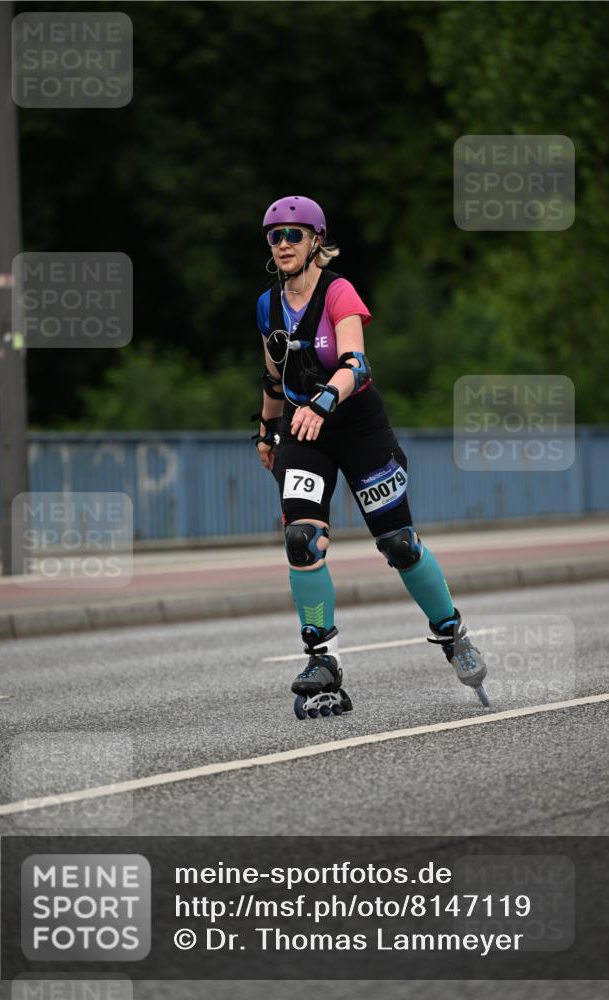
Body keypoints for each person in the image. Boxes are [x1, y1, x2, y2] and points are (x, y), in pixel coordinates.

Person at [253, 195, 489, 718]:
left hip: (357, 426)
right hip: (303, 431)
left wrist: (323, 401)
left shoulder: (339, 292)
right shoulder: (268, 304)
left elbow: (355, 364)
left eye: (295, 234)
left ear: (317, 240)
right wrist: (268, 433)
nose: (284, 244)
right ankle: (323, 659)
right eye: (275, 236)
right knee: (301, 538)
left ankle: (450, 630)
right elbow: (275, 378)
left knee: (399, 543)